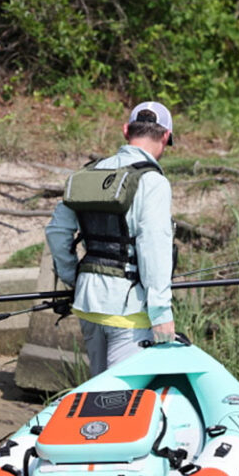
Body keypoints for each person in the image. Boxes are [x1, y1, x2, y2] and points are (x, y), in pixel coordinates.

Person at [45, 101, 176, 376]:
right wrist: (162, 314)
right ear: (165, 137)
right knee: (121, 400)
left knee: (99, 392)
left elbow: (57, 232)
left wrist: (73, 277)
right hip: (129, 313)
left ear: (126, 130)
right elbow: (153, 246)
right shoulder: (153, 182)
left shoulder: (87, 174)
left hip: (88, 305)